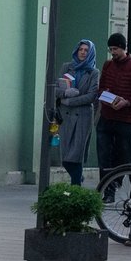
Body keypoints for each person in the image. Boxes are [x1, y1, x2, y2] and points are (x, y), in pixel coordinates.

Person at [97, 33, 131, 201]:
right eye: (111, 49)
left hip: (127, 119)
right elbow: (100, 90)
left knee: (127, 156)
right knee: (104, 156)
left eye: (115, 49)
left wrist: (127, 102)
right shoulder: (108, 66)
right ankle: (109, 192)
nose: (113, 52)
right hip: (107, 117)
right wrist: (109, 100)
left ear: (123, 48)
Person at [57, 39, 100, 185]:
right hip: (65, 116)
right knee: (65, 157)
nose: (82, 52)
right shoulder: (67, 67)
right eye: (80, 49)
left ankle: (75, 187)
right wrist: (65, 94)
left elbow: (92, 95)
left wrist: (71, 101)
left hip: (82, 116)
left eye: (86, 50)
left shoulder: (94, 72)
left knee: (77, 154)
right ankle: (78, 177)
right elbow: (55, 88)